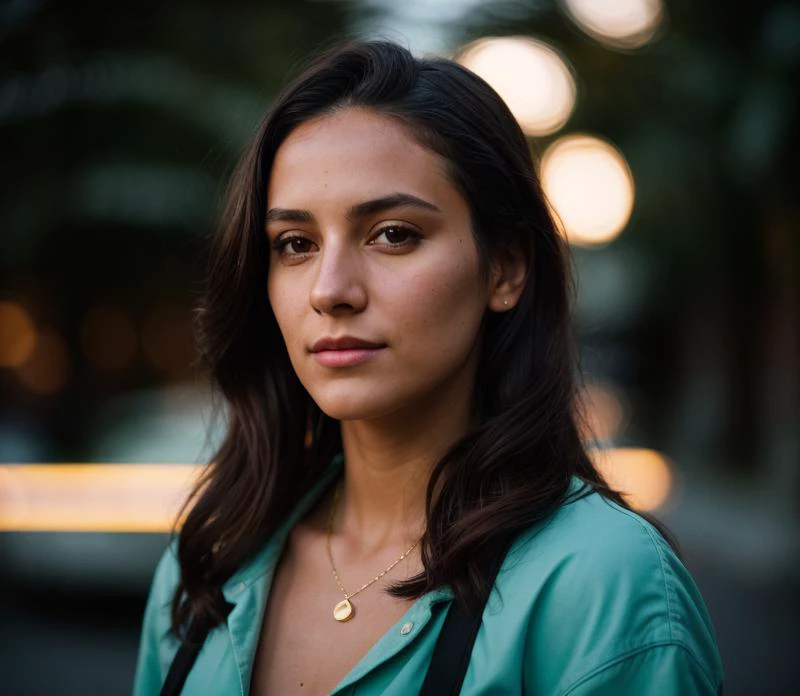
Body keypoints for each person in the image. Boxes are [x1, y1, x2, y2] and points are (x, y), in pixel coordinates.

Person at [133, 39, 724, 695]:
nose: (330, 290)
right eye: (295, 244)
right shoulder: (211, 562)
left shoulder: (601, 586)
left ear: (505, 268)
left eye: (393, 234)